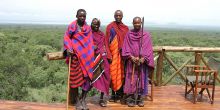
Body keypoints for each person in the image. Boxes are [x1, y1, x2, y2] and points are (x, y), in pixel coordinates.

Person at [63, 9, 94, 110]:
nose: (82, 18)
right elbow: (67, 38)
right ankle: (77, 101)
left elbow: (89, 42)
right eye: (80, 16)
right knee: (75, 80)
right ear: (76, 16)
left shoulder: (88, 28)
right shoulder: (72, 26)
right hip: (75, 57)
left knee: (87, 79)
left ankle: (83, 99)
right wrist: (68, 48)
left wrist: (89, 54)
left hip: (86, 58)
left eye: (84, 16)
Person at [122, 17, 154, 107]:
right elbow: (125, 47)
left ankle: (140, 98)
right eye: (135, 23)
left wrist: (143, 58)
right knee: (131, 80)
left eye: (138, 23)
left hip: (142, 63)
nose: (137, 24)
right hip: (131, 62)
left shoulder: (146, 35)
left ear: (141, 23)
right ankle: (132, 98)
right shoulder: (129, 34)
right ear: (132, 23)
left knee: (141, 79)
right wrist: (131, 57)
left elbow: (148, 49)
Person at [105, 10, 129, 102]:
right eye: (116, 15)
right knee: (112, 73)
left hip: (122, 55)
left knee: (121, 73)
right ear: (114, 16)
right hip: (112, 54)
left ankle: (120, 93)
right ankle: (113, 94)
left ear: (122, 16)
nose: (118, 17)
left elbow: (127, 42)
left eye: (120, 15)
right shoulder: (110, 27)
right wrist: (108, 54)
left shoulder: (125, 28)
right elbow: (106, 42)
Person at [91, 18, 110, 107]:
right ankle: (82, 98)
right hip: (92, 59)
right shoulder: (88, 34)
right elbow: (85, 45)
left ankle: (102, 98)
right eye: (94, 24)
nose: (96, 26)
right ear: (91, 24)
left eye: (97, 24)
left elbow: (106, 45)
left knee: (104, 77)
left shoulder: (102, 34)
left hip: (102, 58)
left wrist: (108, 56)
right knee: (89, 78)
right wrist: (91, 46)